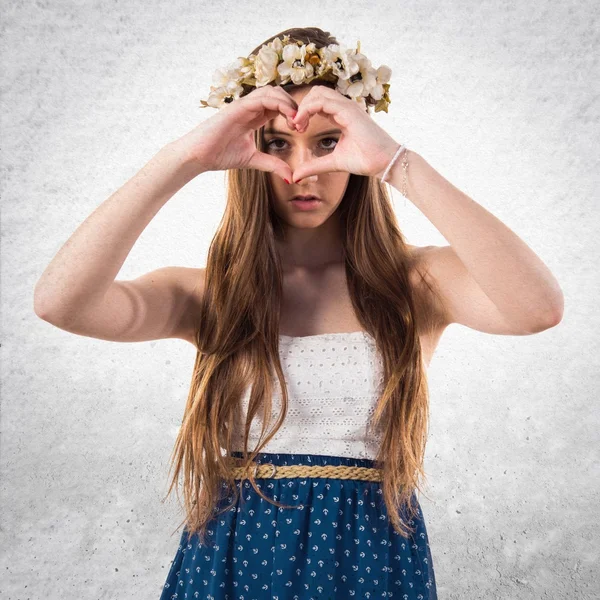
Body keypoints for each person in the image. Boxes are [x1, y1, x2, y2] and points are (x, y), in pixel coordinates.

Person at [33, 26, 564, 600]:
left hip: (367, 558)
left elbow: (537, 308)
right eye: (278, 144)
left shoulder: (415, 284)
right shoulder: (212, 294)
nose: (302, 169)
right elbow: (61, 302)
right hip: (233, 560)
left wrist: (397, 163)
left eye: (329, 142)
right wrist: (185, 158)